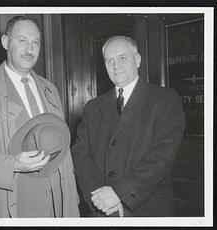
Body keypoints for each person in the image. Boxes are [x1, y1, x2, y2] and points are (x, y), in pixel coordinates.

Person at [0, 16, 79, 218]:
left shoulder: (51, 89)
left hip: (58, 208)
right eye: (22, 40)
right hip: (11, 208)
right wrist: (13, 165)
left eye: (35, 42)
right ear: (5, 42)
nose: (30, 48)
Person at [71, 36, 186, 217]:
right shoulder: (93, 107)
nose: (116, 65)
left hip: (145, 209)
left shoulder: (164, 99)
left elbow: (164, 155)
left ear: (137, 60)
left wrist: (118, 193)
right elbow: (80, 153)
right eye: (110, 61)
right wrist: (98, 195)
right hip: (102, 209)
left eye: (122, 58)